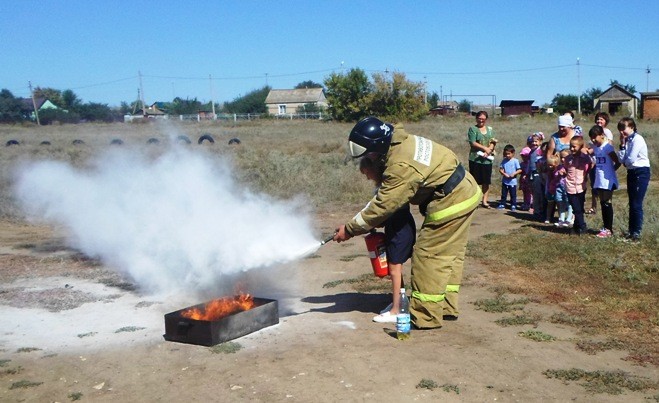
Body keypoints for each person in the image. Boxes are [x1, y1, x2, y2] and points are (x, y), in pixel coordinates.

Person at [334, 117, 481, 329]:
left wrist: (349, 229)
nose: (369, 158)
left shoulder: (400, 165)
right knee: (449, 255)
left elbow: (383, 205)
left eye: (370, 153)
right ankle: (446, 307)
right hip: (465, 189)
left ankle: (425, 316)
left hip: (452, 199)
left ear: (379, 146)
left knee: (428, 256)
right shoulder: (402, 142)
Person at [359, 155, 416, 323]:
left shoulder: (388, 187)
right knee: (394, 268)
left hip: (400, 230)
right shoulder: (384, 186)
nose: (366, 177)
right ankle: (399, 301)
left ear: (373, 169)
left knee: (394, 269)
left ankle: (396, 311)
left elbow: (386, 210)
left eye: (366, 173)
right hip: (395, 227)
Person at [617, 117, 651, 242]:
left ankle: (636, 232)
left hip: (640, 172)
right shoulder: (627, 141)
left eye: (623, 128)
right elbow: (622, 159)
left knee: (636, 204)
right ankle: (631, 231)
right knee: (632, 203)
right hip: (631, 172)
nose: (621, 132)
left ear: (632, 127)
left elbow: (630, 159)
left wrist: (626, 162)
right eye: (619, 129)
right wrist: (621, 145)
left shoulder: (637, 139)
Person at [586, 125, 621, 238]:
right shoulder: (596, 148)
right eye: (591, 138)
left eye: (594, 137)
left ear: (602, 135)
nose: (593, 140)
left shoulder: (607, 148)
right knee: (602, 203)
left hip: (607, 179)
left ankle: (609, 229)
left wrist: (611, 171)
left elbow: (617, 161)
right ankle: (605, 227)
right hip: (599, 179)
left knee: (606, 203)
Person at [563, 136, 593, 235]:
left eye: (574, 147)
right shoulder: (568, 159)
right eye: (571, 146)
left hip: (581, 186)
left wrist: (586, 175)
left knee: (579, 208)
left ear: (580, 147)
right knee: (576, 208)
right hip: (570, 186)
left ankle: (575, 228)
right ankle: (583, 227)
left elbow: (590, 165)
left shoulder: (585, 158)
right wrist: (562, 171)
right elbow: (564, 168)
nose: (572, 149)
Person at [467, 111, 497, 208]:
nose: (481, 120)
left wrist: (489, 150)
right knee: (474, 181)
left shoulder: (490, 129)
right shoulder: (473, 129)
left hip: (487, 159)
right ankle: (474, 201)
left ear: (486, 119)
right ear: (476, 118)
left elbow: (493, 141)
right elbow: (473, 142)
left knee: (486, 181)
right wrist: (485, 148)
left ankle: (485, 200)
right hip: (475, 158)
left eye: (483, 119)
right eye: (479, 118)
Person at [587, 112, 614, 215]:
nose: (599, 121)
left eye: (602, 119)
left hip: (603, 163)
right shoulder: (594, 130)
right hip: (594, 162)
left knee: (604, 186)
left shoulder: (607, 132)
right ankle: (594, 206)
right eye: (598, 119)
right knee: (594, 185)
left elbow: (608, 146)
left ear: (606, 121)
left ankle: (606, 204)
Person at [498, 144, 522, 210]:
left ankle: (513, 204)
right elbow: (501, 169)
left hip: (512, 181)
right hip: (505, 181)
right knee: (504, 194)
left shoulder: (515, 161)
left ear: (513, 153)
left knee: (513, 194)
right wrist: (504, 173)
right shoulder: (504, 161)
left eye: (509, 154)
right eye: (506, 154)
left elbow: (519, 170)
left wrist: (514, 173)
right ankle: (502, 204)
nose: (507, 155)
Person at [554, 150, 573, 227]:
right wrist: (558, 174)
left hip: (568, 187)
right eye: (561, 157)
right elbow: (554, 176)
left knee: (569, 204)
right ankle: (561, 219)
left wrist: (566, 174)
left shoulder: (571, 167)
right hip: (559, 187)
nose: (562, 159)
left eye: (565, 157)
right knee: (560, 202)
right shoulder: (559, 167)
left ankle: (569, 219)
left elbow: (573, 176)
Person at [544, 154, 561, 224]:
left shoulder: (558, 172)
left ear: (556, 164)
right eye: (548, 165)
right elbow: (547, 182)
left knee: (559, 205)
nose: (549, 166)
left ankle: (561, 218)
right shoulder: (548, 172)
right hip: (550, 190)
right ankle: (548, 217)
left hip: (557, 190)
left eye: (551, 165)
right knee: (550, 205)